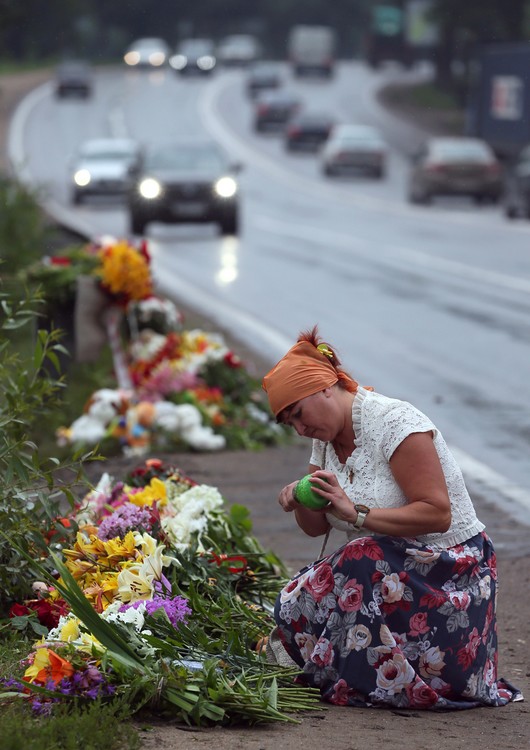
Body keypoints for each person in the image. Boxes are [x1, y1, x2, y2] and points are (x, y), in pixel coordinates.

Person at [261, 325, 522, 710]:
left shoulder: (395, 422)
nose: (300, 429)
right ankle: (346, 667)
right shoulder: (325, 438)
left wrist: (358, 513)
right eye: (290, 423)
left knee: (358, 558)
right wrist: (301, 502)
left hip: (452, 575)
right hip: (395, 576)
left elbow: (438, 513)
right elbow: (316, 528)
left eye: (299, 414)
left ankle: (371, 673)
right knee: (313, 586)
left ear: (325, 387)